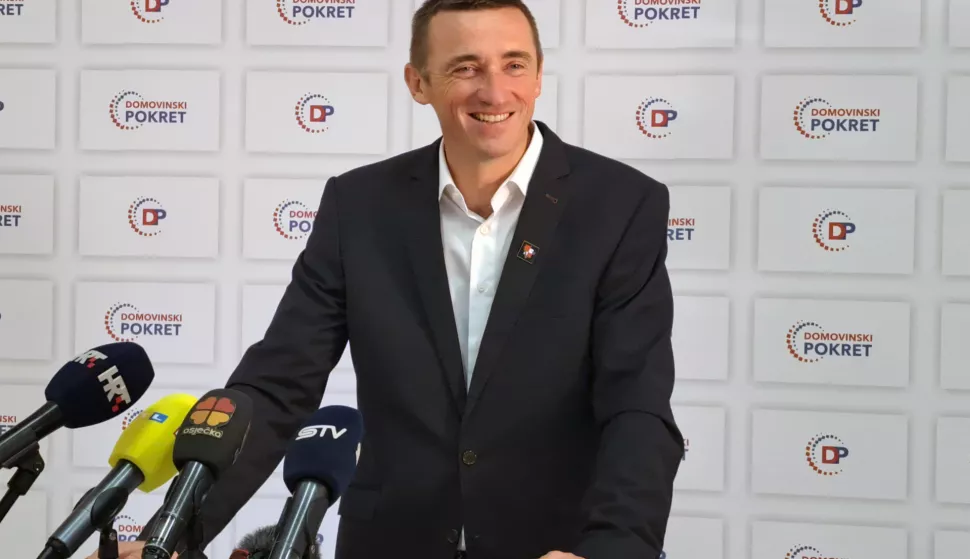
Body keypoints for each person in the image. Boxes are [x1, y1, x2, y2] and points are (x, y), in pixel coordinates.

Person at [89, 0, 683, 557]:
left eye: (514, 64)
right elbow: (278, 387)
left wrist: (612, 550)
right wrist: (171, 538)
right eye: (466, 68)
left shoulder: (620, 205)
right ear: (417, 83)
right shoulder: (358, 206)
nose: (494, 90)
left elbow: (637, 405)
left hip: (557, 543)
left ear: (539, 75)